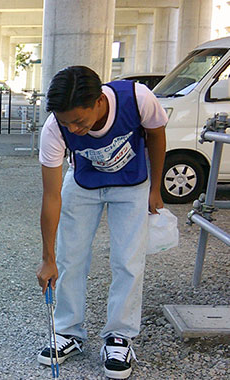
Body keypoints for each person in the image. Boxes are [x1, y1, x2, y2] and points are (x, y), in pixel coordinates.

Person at [35, 66, 167, 379]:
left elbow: (157, 134)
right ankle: (68, 331)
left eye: (79, 121)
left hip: (131, 183)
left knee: (127, 259)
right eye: (67, 123)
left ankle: (119, 335)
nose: (74, 129)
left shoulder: (137, 98)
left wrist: (155, 187)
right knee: (70, 258)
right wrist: (47, 258)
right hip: (82, 184)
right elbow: (51, 197)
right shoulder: (55, 128)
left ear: (98, 101)